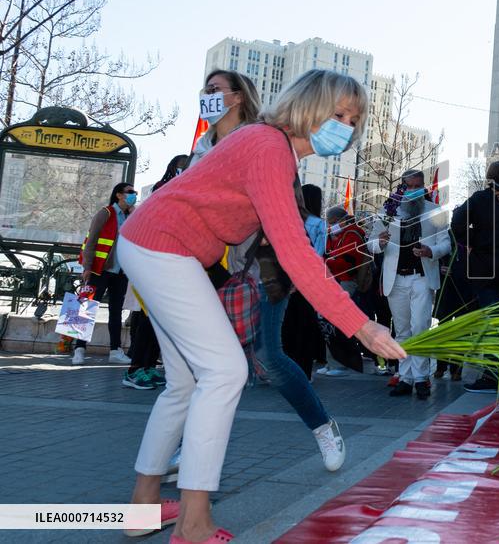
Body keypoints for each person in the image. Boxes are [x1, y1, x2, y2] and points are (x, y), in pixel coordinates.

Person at [118, 69, 405, 543]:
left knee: (186, 382)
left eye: (354, 119)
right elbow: (296, 255)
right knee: (226, 372)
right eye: (337, 114)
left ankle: (142, 506)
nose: (346, 127)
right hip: (163, 247)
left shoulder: (272, 150)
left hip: (156, 245)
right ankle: (193, 525)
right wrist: (363, 328)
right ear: (308, 106)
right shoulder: (270, 147)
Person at [368, 169, 451, 400]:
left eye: (418, 187)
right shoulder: (387, 211)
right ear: (402, 187)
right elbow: (371, 244)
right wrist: (380, 243)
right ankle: (405, 378)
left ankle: (422, 379)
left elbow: (446, 243)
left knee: (420, 327)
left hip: (421, 277)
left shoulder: (435, 211)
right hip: (396, 278)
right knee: (402, 330)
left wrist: (430, 251)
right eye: (410, 187)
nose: (414, 191)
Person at [123, 155, 191, 389]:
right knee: (148, 321)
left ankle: (149, 366)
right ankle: (135, 370)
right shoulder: (164, 190)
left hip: (167, 264)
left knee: (158, 323)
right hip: (154, 263)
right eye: (184, 168)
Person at [452, 161, 499, 392]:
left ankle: (492, 376)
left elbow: (456, 223)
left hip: (484, 268)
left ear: (489, 177)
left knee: (491, 322)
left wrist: (476, 241)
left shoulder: (480, 199)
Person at [73, 182, 137, 366]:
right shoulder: (106, 213)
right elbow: (91, 240)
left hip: (120, 272)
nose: (133, 195)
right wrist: (87, 268)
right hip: (99, 270)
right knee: (86, 309)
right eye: (130, 192)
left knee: (116, 312)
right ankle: (79, 349)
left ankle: (115, 350)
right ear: (118, 195)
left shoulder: (129, 215)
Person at [280, 184, 329, 381]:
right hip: (308, 282)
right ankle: (304, 372)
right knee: (305, 327)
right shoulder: (319, 224)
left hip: (287, 278)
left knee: (288, 326)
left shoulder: (292, 220)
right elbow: (318, 253)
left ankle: (288, 370)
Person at [318, 205, 370, 377]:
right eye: (329, 222)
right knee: (328, 324)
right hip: (336, 281)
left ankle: (341, 364)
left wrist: (326, 260)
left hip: (347, 282)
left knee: (337, 324)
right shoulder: (337, 235)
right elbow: (332, 256)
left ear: (343, 220)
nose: (330, 225)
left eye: (332, 222)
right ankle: (331, 361)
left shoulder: (353, 234)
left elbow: (346, 261)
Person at [189, 69, 261, 167]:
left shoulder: (257, 144)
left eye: (214, 89)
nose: (207, 97)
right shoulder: (198, 151)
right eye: (206, 92)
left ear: (238, 97)